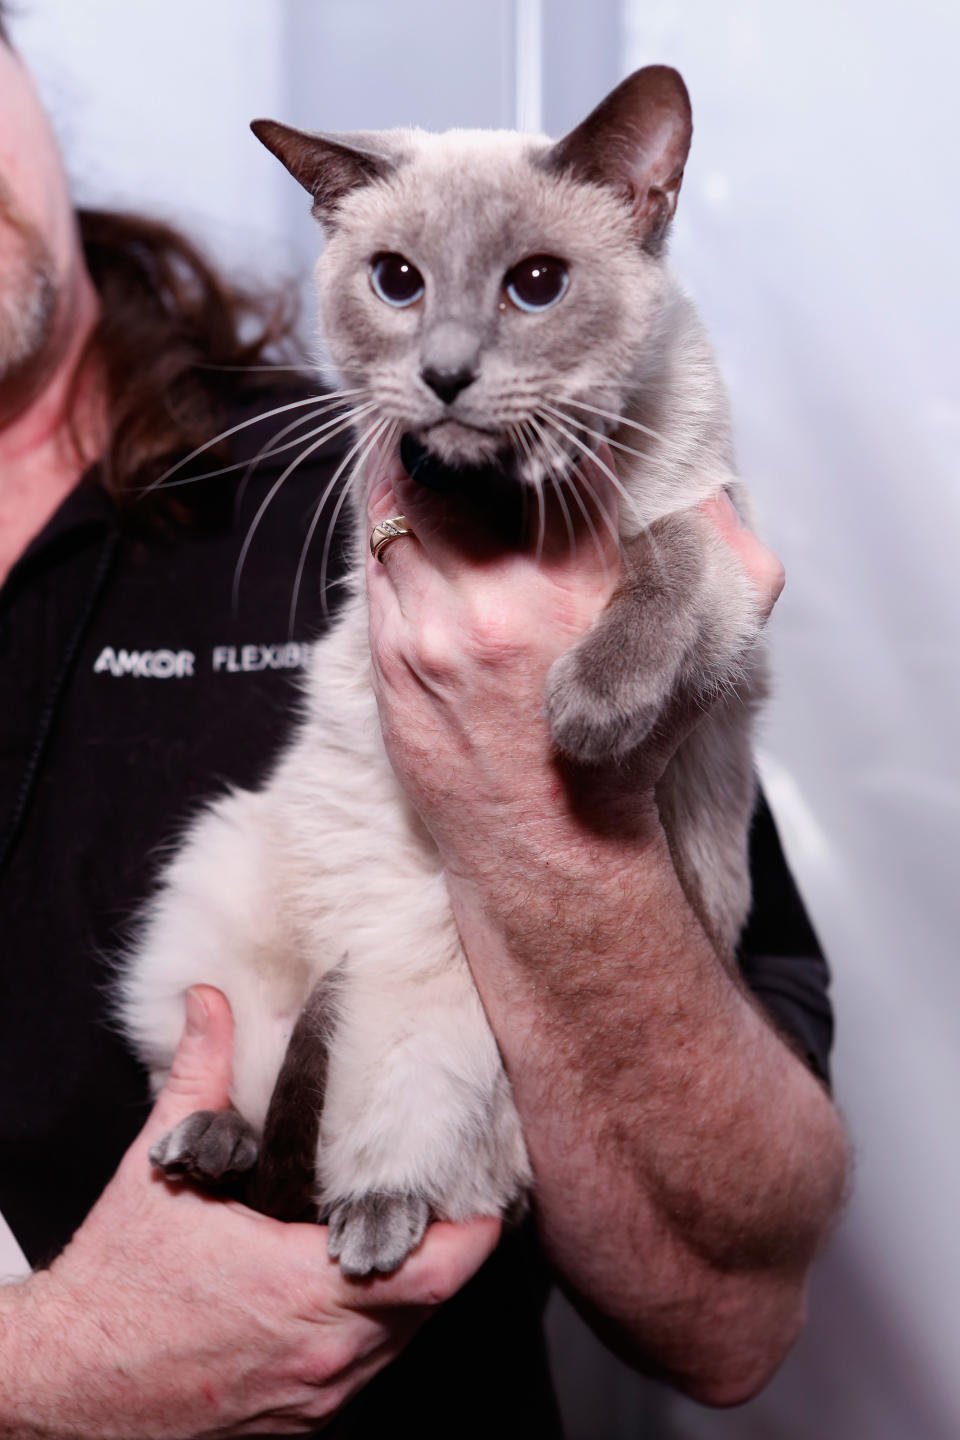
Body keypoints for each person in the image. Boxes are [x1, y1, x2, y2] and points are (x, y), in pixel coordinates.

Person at [0, 14, 848, 1438]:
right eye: (397, 282)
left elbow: (734, 1312)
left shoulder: (415, 487)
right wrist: (44, 1377)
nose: (448, 348)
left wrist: (533, 807)